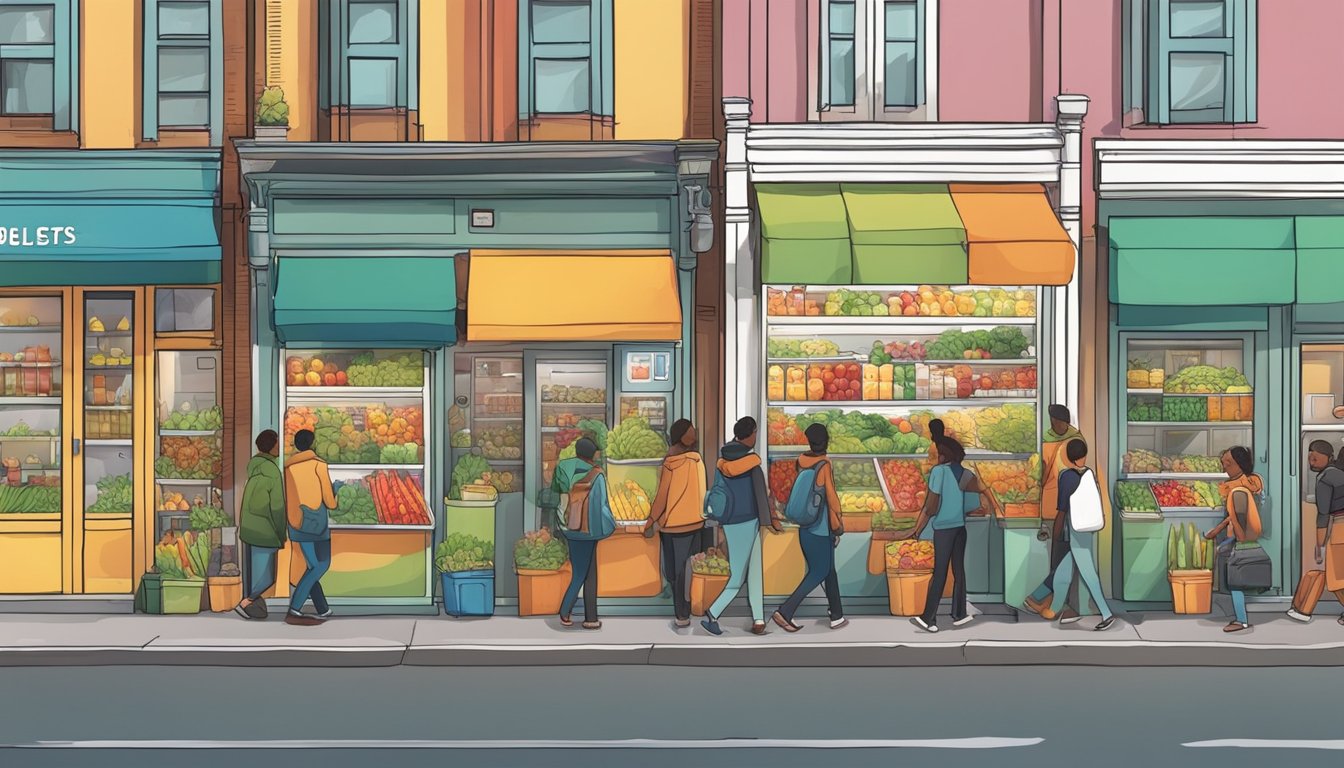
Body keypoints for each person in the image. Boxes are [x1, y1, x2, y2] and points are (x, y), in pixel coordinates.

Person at [905, 436, 997, 633]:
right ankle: (959, 614)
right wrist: (995, 508)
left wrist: (917, 529)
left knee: (939, 573)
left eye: (937, 455)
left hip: (944, 530)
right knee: (958, 572)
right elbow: (982, 489)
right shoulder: (963, 473)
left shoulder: (939, 472)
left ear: (943, 456)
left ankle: (928, 619)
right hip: (959, 529)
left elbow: (930, 506)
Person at [702, 417, 780, 636]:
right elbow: (760, 494)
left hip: (731, 520)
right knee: (737, 578)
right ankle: (712, 614)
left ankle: (758, 620)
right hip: (747, 521)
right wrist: (770, 520)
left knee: (755, 572)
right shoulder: (752, 462)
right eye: (755, 432)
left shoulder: (723, 459)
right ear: (751, 434)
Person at [771, 423, 847, 632]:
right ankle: (785, 611)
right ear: (827, 441)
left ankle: (837, 615)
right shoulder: (824, 465)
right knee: (819, 571)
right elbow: (831, 498)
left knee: (828, 569)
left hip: (805, 526)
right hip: (820, 530)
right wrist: (839, 521)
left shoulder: (802, 462)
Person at [1023, 404, 1083, 622]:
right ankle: (1047, 602)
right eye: (1051, 420)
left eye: (1056, 420)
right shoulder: (1049, 440)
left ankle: (1047, 601)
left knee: (1062, 560)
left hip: (1065, 506)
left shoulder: (1075, 441)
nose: (1052, 424)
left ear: (1064, 422)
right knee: (1061, 560)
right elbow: (1044, 468)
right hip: (1054, 506)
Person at [645, 419, 707, 628]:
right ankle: (686, 609)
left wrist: (652, 519)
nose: (694, 434)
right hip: (694, 522)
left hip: (671, 525)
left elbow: (662, 496)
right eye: (692, 431)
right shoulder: (697, 460)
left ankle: (680, 612)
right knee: (685, 569)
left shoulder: (670, 462)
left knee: (673, 570)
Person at [1050, 439, 1116, 632]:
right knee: (1063, 571)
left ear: (1067, 456)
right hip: (1088, 528)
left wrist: (1055, 532)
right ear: (1084, 454)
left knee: (1088, 573)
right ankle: (1055, 608)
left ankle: (1106, 613)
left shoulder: (1067, 477)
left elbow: (1062, 509)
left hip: (1076, 530)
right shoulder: (1088, 473)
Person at [554, 437, 615, 630]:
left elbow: (556, 493)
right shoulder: (597, 474)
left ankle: (591, 617)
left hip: (567, 526)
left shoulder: (563, 467)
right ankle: (565, 611)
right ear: (592, 454)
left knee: (587, 571)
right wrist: (611, 523)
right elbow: (601, 506)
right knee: (581, 573)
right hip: (587, 530)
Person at [1204, 446, 1264, 633]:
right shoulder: (1249, 483)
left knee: (1235, 580)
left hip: (1239, 538)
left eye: (1228, 463)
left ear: (1241, 464)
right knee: (1235, 579)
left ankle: (1241, 620)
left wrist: (1218, 533)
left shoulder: (1238, 489)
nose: (1224, 467)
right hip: (1242, 537)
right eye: (1223, 462)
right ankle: (1240, 617)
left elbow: (1236, 517)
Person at [283, 429, 337, 626]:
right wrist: (337, 492)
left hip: (297, 523)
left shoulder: (288, 467)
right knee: (320, 564)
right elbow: (330, 502)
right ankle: (295, 608)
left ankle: (322, 608)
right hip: (316, 523)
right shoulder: (318, 465)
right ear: (313, 443)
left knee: (311, 565)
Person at [1286, 440, 1344, 624]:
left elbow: (1323, 514)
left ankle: (1303, 610)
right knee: (1336, 576)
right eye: (1310, 458)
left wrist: (1319, 545)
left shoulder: (1325, 478)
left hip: (1339, 528)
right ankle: (1302, 609)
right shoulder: (1339, 475)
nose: (1311, 462)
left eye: (1316, 458)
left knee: (1335, 579)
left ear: (1330, 457)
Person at [235, 430, 285, 620]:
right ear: (271, 446)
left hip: (249, 528)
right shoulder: (272, 471)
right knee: (266, 577)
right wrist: (281, 534)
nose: (279, 447)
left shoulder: (254, 467)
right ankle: (246, 602)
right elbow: (277, 506)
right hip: (265, 530)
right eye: (277, 443)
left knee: (254, 575)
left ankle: (253, 608)